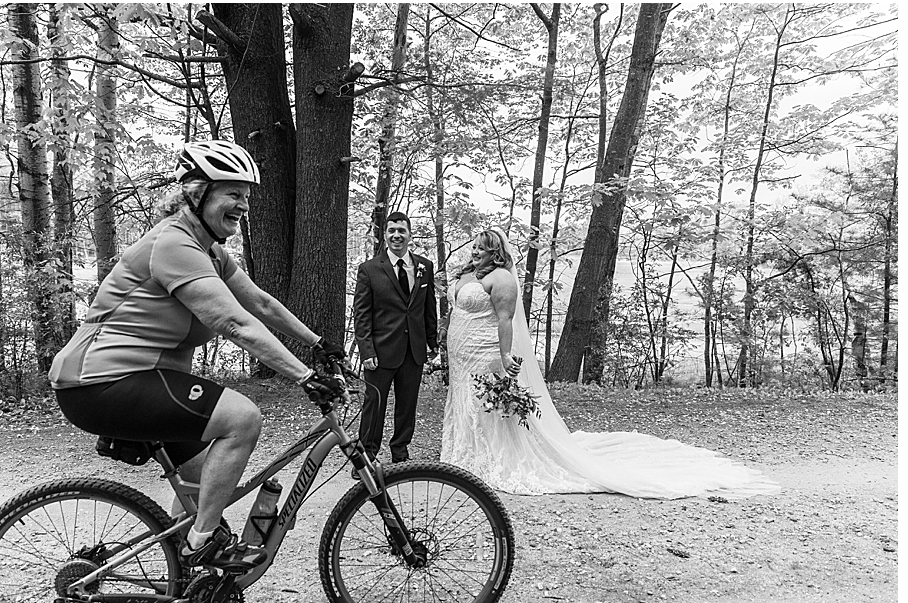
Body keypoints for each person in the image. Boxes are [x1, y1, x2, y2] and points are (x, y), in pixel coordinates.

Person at [49, 139, 346, 571]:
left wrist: (319, 343)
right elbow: (236, 323)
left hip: (132, 379)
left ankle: (184, 573)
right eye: (233, 193)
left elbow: (259, 304)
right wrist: (304, 376)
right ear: (196, 192)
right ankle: (202, 543)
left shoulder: (208, 250)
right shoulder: (173, 245)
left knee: (205, 477)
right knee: (242, 419)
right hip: (102, 380)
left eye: (246, 196)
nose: (243, 205)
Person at [440, 227, 780, 499]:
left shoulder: (502, 279)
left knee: (484, 403)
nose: (476, 251)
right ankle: (464, 456)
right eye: (474, 247)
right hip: (461, 352)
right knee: (464, 399)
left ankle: (490, 461)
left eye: (482, 248)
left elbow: (505, 321)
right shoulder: (469, 274)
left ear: (496, 252)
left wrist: (503, 355)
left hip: (486, 350)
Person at [353, 212, 438, 462]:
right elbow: (362, 314)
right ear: (385, 235)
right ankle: (366, 456)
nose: (396, 235)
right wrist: (366, 351)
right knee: (373, 405)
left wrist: (432, 343)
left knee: (407, 405)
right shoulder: (369, 270)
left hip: (413, 350)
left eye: (401, 230)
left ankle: (400, 452)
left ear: (410, 234)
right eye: (391, 231)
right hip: (380, 351)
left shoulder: (425, 267)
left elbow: (428, 307)